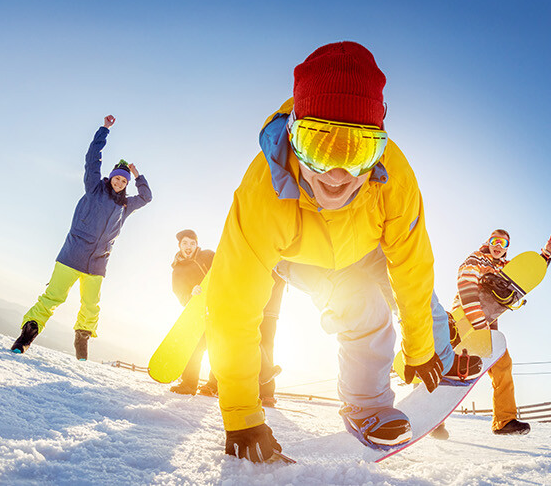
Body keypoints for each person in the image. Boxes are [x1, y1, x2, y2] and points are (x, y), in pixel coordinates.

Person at [202, 41, 479, 463]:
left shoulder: (395, 180)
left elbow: (413, 265)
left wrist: (420, 348)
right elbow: (235, 306)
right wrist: (241, 413)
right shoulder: (262, 195)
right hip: (303, 257)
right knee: (364, 309)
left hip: (369, 245)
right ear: (294, 135)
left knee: (423, 299)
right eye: (318, 146)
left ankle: (438, 356)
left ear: (380, 149)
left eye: (356, 151)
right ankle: (366, 405)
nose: (335, 176)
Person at [9, 115, 152, 360]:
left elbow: (147, 197)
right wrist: (104, 130)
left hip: (98, 263)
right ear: (111, 178)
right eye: (117, 178)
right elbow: (92, 159)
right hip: (72, 255)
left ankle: (82, 343)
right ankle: (25, 337)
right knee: (53, 297)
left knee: (91, 307)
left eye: (123, 181)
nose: (119, 182)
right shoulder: (94, 188)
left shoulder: (125, 206)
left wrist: (138, 175)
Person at [429, 230, 551, 439]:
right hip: (464, 320)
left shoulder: (504, 268)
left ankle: (504, 421)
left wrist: (545, 254)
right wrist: (477, 321)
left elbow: (526, 276)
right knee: (455, 368)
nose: (498, 245)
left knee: (503, 364)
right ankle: (435, 421)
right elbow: (465, 286)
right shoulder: (475, 259)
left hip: (489, 322)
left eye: (503, 243)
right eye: (494, 241)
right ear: (488, 242)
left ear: (507, 247)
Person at [168, 229, 285, 405]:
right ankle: (189, 384)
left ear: (197, 244)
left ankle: (217, 384)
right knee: (196, 347)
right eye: (185, 243)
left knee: (224, 347)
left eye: (192, 243)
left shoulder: (208, 256)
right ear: (179, 246)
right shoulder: (177, 272)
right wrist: (191, 294)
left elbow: (227, 264)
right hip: (201, 313)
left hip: (223, 306)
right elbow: (181, 296)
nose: (189, 247)